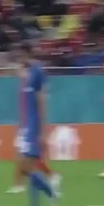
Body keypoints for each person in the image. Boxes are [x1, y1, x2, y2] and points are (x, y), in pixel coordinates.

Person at [17, 43, 60, 206]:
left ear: (27, 54)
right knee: (26, 168)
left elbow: (42, 101)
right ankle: (49, 194)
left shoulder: (38, 72)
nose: (19, 59)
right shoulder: (30, 74)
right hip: (30, 127)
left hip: (35, 128)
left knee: (28, 167)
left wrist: (43, 131)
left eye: (20, 56)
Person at [8, 63, 61, 194]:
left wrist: (40, 129)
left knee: (26, 157)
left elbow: (39, 106)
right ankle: (50, 176)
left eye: (21, 70)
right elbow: (24, 109)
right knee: (27, 157)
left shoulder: (31, 87)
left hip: (30, 126)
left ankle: (20, 185)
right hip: (25, 126)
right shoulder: (23, 86)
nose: (19, 74)